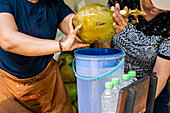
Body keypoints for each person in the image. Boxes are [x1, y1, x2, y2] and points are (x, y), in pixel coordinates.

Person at [0, 0, 89, 112]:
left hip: (48, 83)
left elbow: (78, 28)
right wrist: (61, 45)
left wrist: (108, 26)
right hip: (9, 86)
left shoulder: (54, 3)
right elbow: (8, 40)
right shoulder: (5, 2)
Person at [97, 0, 170, 112]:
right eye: (151, 2)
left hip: (150, 88)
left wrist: (142, 105)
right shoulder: (122, 3)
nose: (156, 9)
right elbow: (103, 48)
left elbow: (161, 72)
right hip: (113, 84)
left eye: (162, 6)